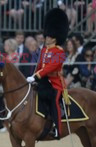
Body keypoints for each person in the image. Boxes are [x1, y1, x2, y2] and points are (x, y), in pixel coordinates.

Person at [27, 8, 69, 139]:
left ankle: (57, 128)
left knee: (54, 101)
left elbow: (51, 67)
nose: (46, 38)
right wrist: (34, 76)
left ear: (55, 38)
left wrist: (37, 76)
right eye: (46, 36)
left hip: (55, 83)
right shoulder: (44, 50)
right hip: (43, 81)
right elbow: (40, 65)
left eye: (48, 36)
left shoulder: (60, 52)